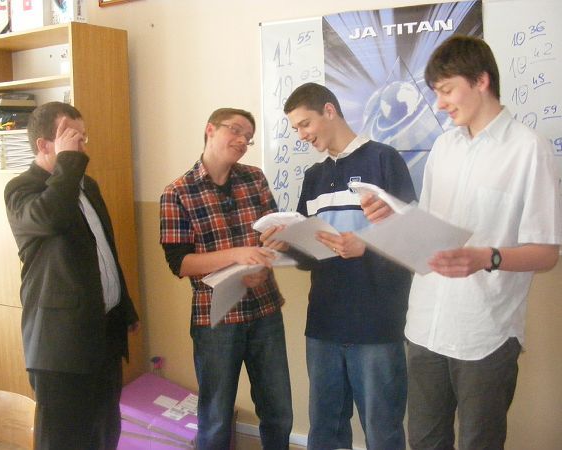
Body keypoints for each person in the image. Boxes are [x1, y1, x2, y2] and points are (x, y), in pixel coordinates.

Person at [405, 35, 561, 450]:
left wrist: (487, 257)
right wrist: (394, 219)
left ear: (481, 81)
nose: (440, 103)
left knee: (480, 443)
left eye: (446, 90)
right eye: (436, 93)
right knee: (424, 441)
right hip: (424, 324)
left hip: (485, 331)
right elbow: (429, 228)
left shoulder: (529, 150)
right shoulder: (444, 147)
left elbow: (547, 253)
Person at [264, 82, 416, 450]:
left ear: (329, 111)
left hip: (377, 324)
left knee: (382, 432)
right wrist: (287, 244)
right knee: (325, 431)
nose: (302, 135)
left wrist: (365, 247)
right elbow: (309, 254)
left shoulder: (384, 160)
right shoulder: (313, 177)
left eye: (305, 124)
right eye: (296, 129)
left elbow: (411, 241)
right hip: (324, 324)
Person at [4, 101, 140, 450]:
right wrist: (67, 163)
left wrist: (124, 307)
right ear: (44, 145)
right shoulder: (20, 189)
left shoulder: (87, 186)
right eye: (72, 138)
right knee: (64, 440)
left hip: (103, 334)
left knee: (104, 432)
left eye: (82, 137)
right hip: (60, 346)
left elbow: (104, 251)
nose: (82, 146)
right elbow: (52, 217)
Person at [159, 108, 293, 449]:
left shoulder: (255, 178)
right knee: (216, 417)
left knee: (278, 411)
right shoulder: (177, 192)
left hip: (264, 310)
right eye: (236, 130)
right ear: (210, 129)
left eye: (248, 137)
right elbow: (181, 263)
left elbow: (271, 237)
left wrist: (269, 255)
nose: (242, 140)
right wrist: (237, 256)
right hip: (215, 319)